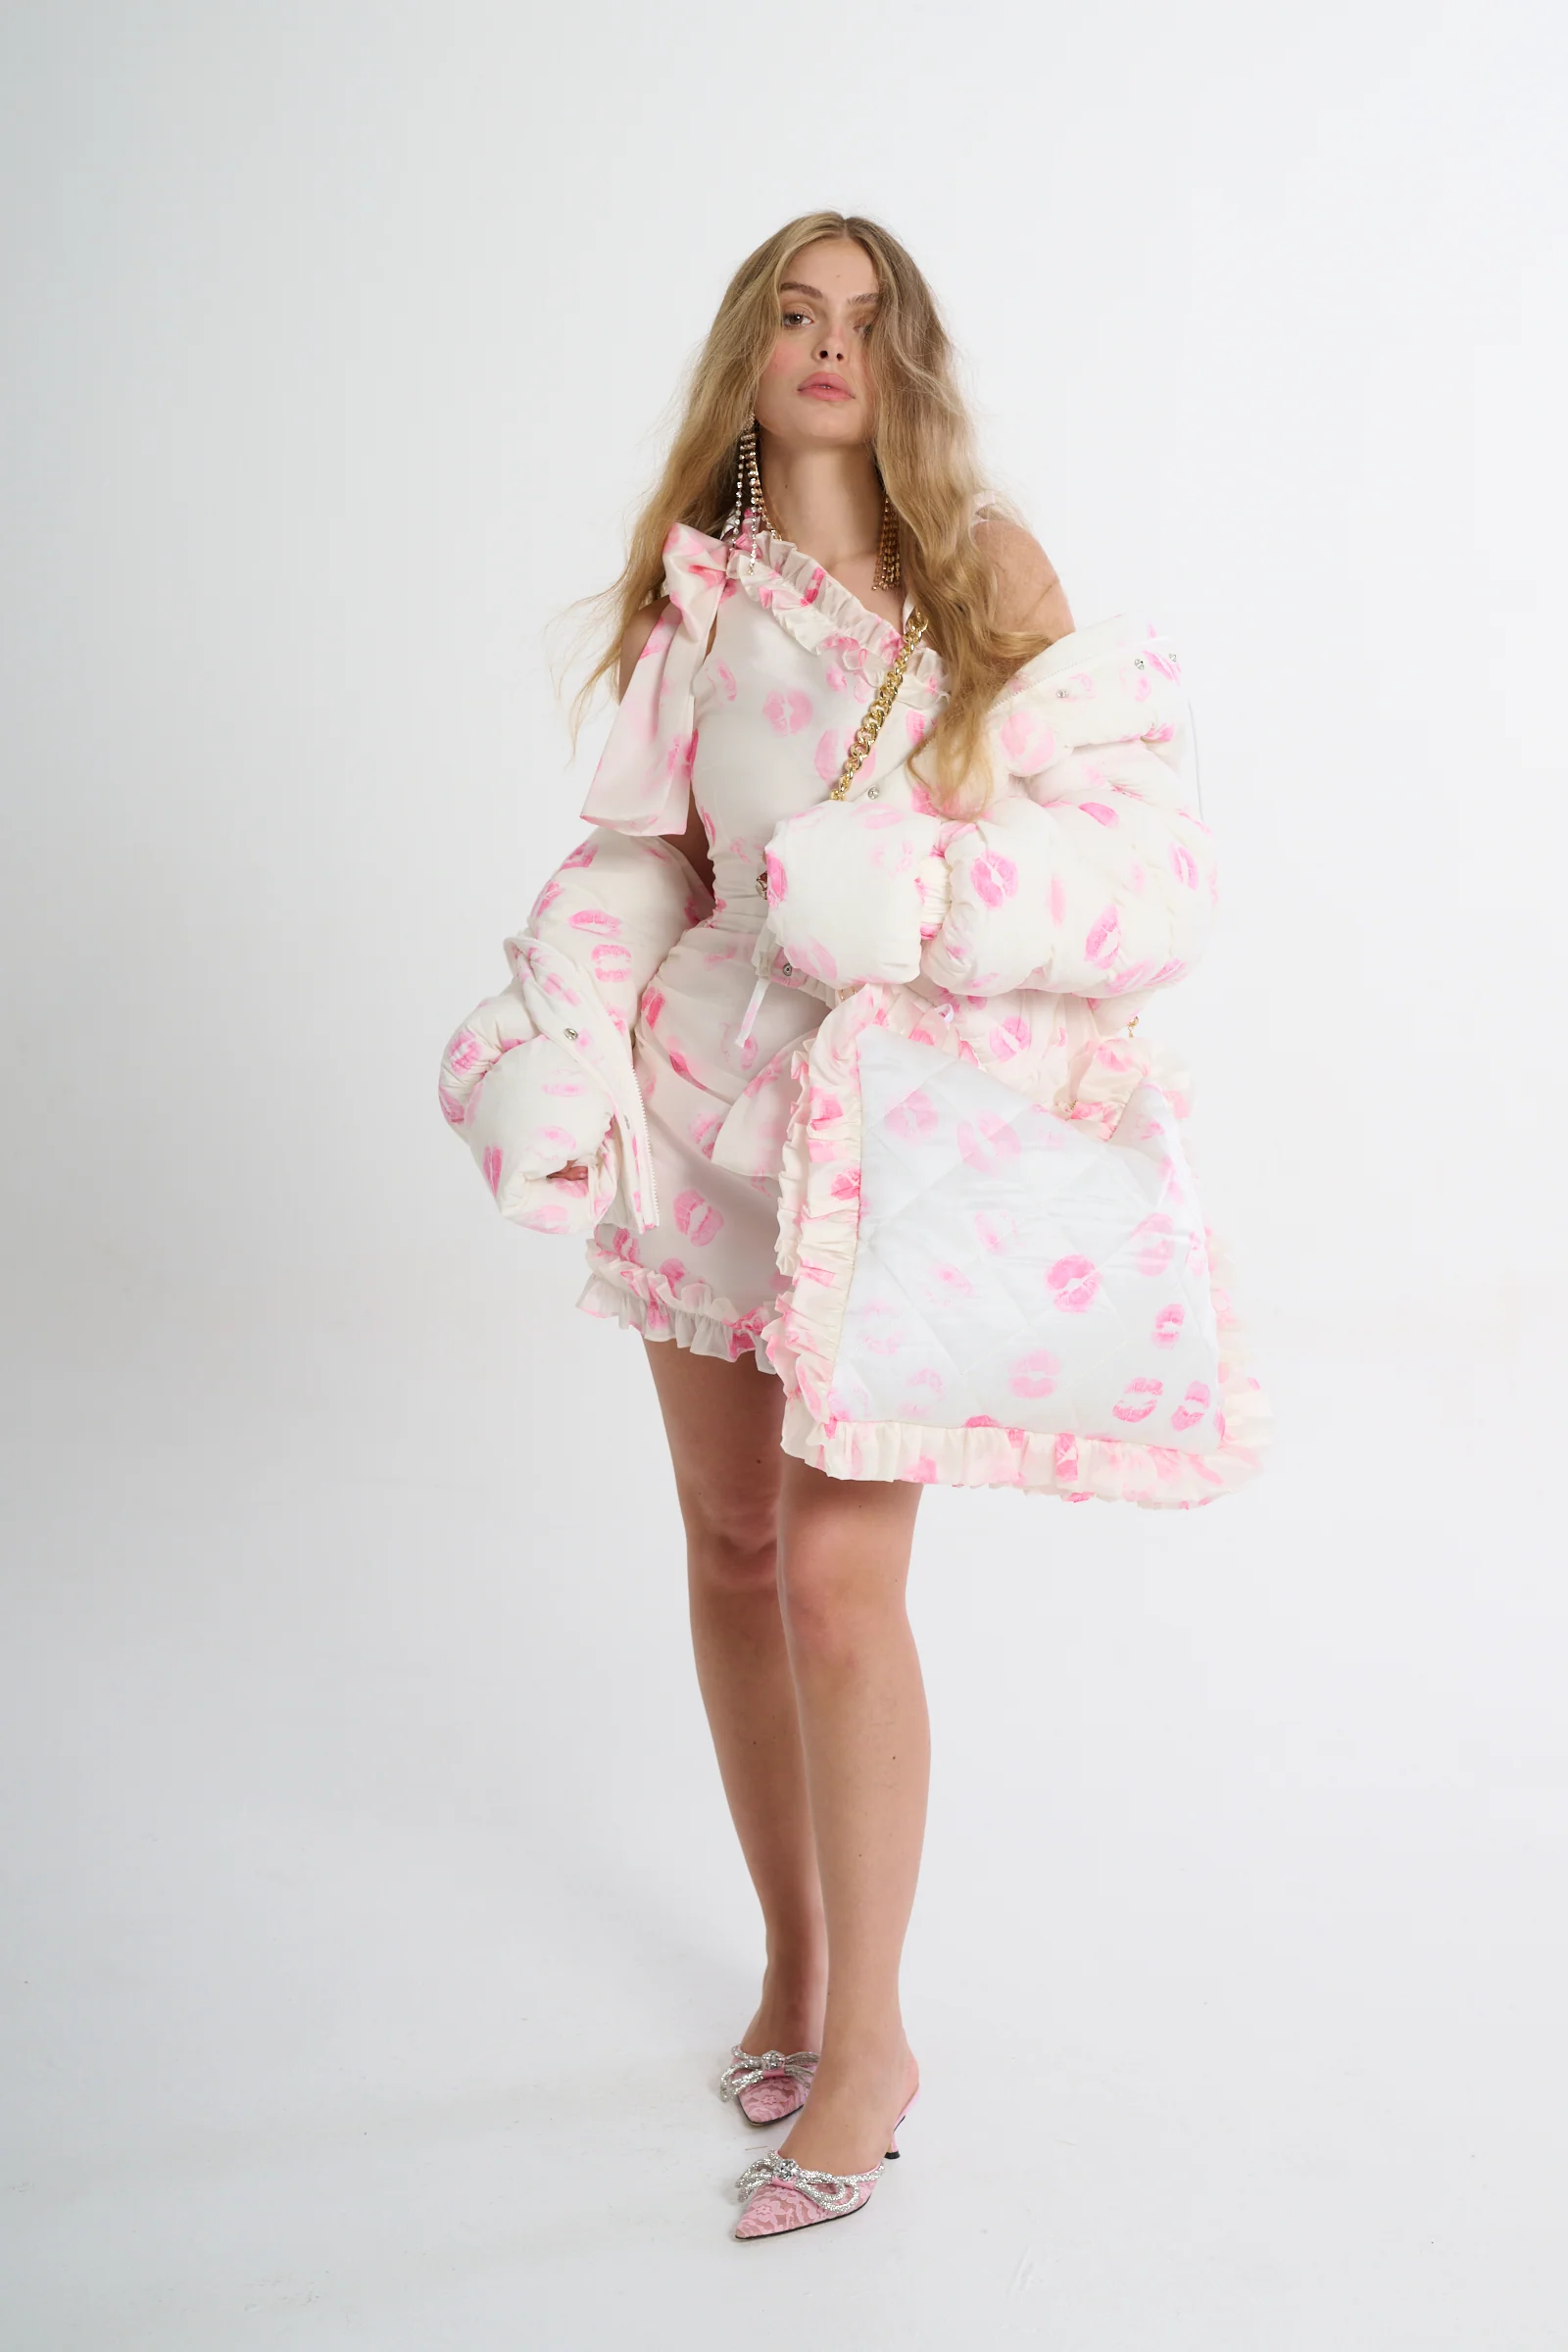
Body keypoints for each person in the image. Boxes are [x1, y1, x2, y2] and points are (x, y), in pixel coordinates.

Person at [438, 211, 1268, 2241]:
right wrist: (557, 1043)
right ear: (750, 352)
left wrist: (917, 893)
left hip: (891, 1133)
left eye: (867, 322)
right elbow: (641, 862)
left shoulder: (984, 569)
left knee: (832, 1579)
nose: (829, 345)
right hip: (706, 1113)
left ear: (907, 364)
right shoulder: (694, 601)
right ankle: (796, 1975)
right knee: (731, 1549)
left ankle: (874, 2045)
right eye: (796, 315)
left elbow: (1138, 863)